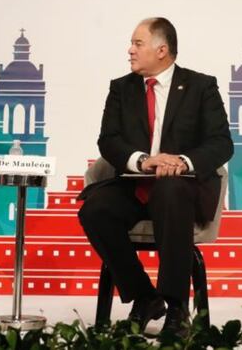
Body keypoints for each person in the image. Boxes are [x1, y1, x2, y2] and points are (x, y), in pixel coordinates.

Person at [77, 17, 234, 337]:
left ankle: (177, 309)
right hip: (135, 184)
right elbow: (109, 140)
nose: (130, 50)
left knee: (170, 192)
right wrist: (144, 161)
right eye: (132, 44)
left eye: (138, 43)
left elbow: (221, 143)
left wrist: (182, 161)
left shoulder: (201, 86)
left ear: (162, 50)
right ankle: (145, 297)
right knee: (95, 210)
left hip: (182, 188)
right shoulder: (121, 88)